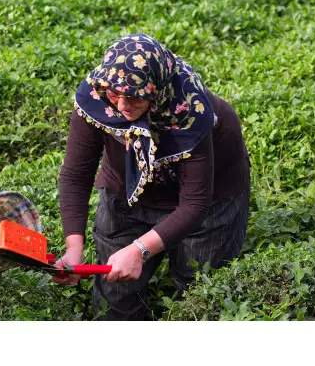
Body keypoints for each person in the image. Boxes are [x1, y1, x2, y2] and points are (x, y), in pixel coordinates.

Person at [54, 33, 251, 321]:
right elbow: (75, 174)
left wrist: (139, 250)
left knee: (199, 292)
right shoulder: (96, 97)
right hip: (128, 191)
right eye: (114, 94)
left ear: (155, 89)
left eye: (134, 96)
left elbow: (195, 204)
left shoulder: (189, 110)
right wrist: (74, 249)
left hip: (210, 197)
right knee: (114, 298)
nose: (121, 106)